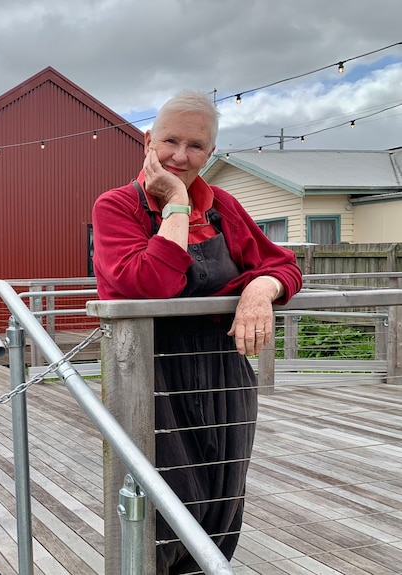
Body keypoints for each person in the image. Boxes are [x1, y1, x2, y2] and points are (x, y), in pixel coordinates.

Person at [92, 91, 303, 574]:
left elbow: (282, 264)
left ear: (211, 153)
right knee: (164, 501)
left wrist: (260, 290)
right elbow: (149, 285)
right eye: (170, 141)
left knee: (223, 499)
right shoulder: (116, 206)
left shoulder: (224, 206)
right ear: (147, 140)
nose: (181, 156)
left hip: (223, 366)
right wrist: (178, 206)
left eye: (196, 146)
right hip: (149, 371)